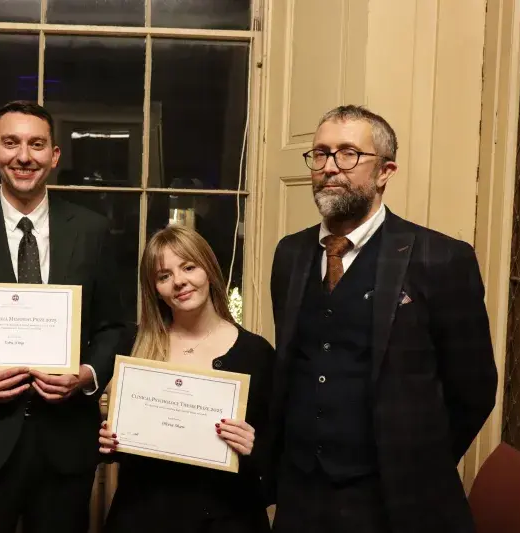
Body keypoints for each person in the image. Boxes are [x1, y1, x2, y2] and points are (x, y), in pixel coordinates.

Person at [268, 105, 498, 533]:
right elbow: (295, 364)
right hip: (301, 494)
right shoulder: (291, 254)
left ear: (385, 171)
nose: (330, 167)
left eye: (348, 153)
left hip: (393, 502)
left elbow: (475, 387)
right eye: (320, 154)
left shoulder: (442, 258)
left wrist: (416, 462)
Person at [0, 100, 125, 533]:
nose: (24, 156)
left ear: (54, 156)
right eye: (11, 143)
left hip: (65, 446)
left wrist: (87, 375)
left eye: (36, 144)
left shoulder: (93, 230)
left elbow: (115, 325)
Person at [99, 225, 275, 533]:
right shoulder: (133, 345)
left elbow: (279, 456)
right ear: (154, 288)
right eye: (164, 276)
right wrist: (107, 441)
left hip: (227, 519)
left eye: (189, 267)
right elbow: (93, 433)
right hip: (143, 517)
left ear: (208, 269)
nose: (179, 281)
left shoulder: (256, 353)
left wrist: (253, 446)